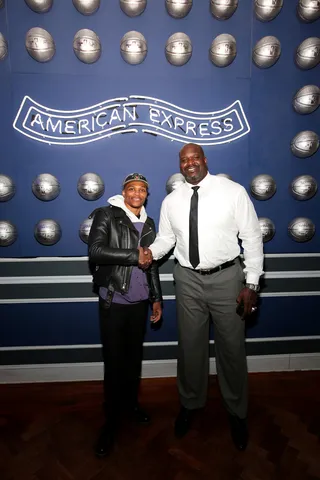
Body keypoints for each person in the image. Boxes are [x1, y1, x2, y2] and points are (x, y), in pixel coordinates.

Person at [140, 144, 264, 450]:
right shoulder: (172, 201)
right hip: (187, 280)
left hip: (226, 278)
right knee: (190, 348)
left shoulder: (232, 192)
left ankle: (237, 412)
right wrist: (149, 253)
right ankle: (190, 404)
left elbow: (251, 237)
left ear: (205, 160)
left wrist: (251, 283)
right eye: (184, 160)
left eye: (194, 158)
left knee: (232, 350)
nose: (189, 163)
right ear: (180, 165)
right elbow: (167, 239)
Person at [88, 173, 163, 458]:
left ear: (146, 195)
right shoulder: (107, 214)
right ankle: (110, 422)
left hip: (139, 302)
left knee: (133, 361)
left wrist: (156, 298)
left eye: (142, 190)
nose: (137, 193)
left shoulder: (150, 222)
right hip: (114, 300)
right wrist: (134, 255)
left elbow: (152, 263)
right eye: (132, 188)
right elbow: (95, 252)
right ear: (123, 191)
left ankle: (131, 406)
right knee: (115, 362)